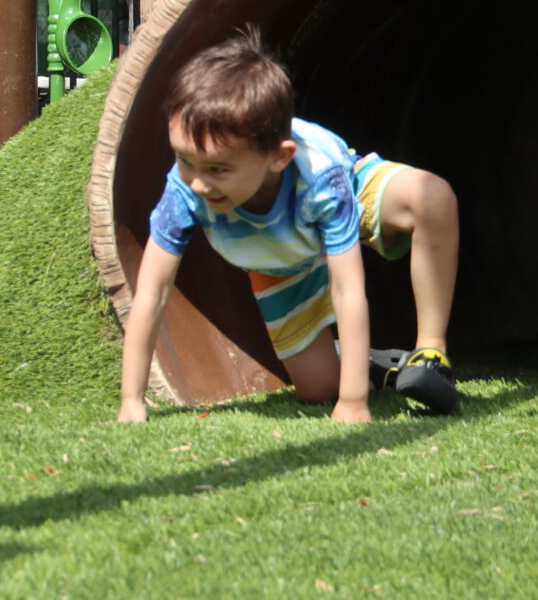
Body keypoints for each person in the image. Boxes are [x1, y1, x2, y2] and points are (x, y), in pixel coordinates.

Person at [118, 30, 461, 425]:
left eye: (218, 169)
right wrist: (132, 399)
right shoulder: (185, 189)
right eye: (184, 159)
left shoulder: (321, 178)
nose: (198, 181)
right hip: (276, 258)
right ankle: (369, 364)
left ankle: (429, 352)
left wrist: (352, 403)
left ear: (278, 158)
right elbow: (152, 291)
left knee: (431, 198)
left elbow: (347, 288)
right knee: (317, 390)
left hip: (348, 193)